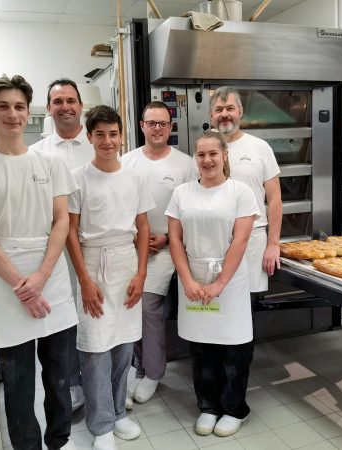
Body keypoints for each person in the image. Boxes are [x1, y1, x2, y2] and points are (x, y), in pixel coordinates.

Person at [0, 75, 78, 450]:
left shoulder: (50, 163)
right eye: (4, 107)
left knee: (59, 376)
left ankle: (60, 440)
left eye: (20, 107)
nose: (13, 114)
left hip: (51, 274)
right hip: (8, 280)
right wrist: (22, 287)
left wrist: (41, 276)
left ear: (29, 114)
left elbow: (61, 221)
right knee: (18, 380)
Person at [66, 105, 154, 450]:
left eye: (113, 134)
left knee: (123, 344)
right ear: (89, 137)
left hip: (126, 262)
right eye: (99, 134)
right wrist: (85, 280)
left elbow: (143, 226)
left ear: (122, 136)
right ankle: (100, 424)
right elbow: (71, 232)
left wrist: (142, 272)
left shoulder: (134, 176)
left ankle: (119, 412)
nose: (107, 140)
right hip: (93, 262)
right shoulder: (77, 177)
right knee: (95, 349)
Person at [166, 130, 259, 437]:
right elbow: (175, 241)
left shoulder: (240, 192)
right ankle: (208, 406)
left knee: (234, 347)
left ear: (224, 156)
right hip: (192, 276)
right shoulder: (181, 193)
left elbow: (240, 240)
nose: (206, 160)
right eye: (201, 155)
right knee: (202, 347)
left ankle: (234, 408)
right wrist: (188, 280)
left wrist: (220, 283)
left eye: (212, 154)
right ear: (196, 158)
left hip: (229, 281)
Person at [121, 101, 196, 407]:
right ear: (142, 126)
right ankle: (138, 366)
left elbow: (192, 208)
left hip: (167, 246)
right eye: (151, 123)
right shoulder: (126, 162)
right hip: (131, 245)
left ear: (171, 127)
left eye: (163, 123)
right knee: (131, 304)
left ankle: (153, 372)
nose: (157, 129)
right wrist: (136, 236)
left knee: (149, 307)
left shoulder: (185, 164)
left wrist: (165, 237)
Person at [30, 78, 95, 412]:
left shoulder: (101, 145)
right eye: (58, 102)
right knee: (64, 320)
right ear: (49, 108)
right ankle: (71, 387)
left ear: (81, 106)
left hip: (97, 249)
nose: (65, 107)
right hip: (55, 254)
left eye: (71, 100)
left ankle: (102, 383)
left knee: (96, 315)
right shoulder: (36, 154)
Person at [208, 87, 283, 298]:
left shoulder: (260, 148)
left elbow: (275, 198)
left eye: (230, 108)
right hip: (214, 239)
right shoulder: (204, 149)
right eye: (219, 109)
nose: (224, 114)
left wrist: (273, 244)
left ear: (240, 111)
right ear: (211, 116)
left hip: (252, 239)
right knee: (216, 303)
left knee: (247, 305)